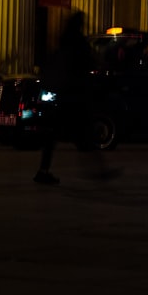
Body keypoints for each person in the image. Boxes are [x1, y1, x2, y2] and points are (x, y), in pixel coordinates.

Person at [34, 10, 118, 185]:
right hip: (75, 96)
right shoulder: (78, 43)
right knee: (85, 135)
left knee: (53, 135)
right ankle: (99, 171)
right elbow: (90, 62)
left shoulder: (64, 40)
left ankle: (43, 170)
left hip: (63, 95)